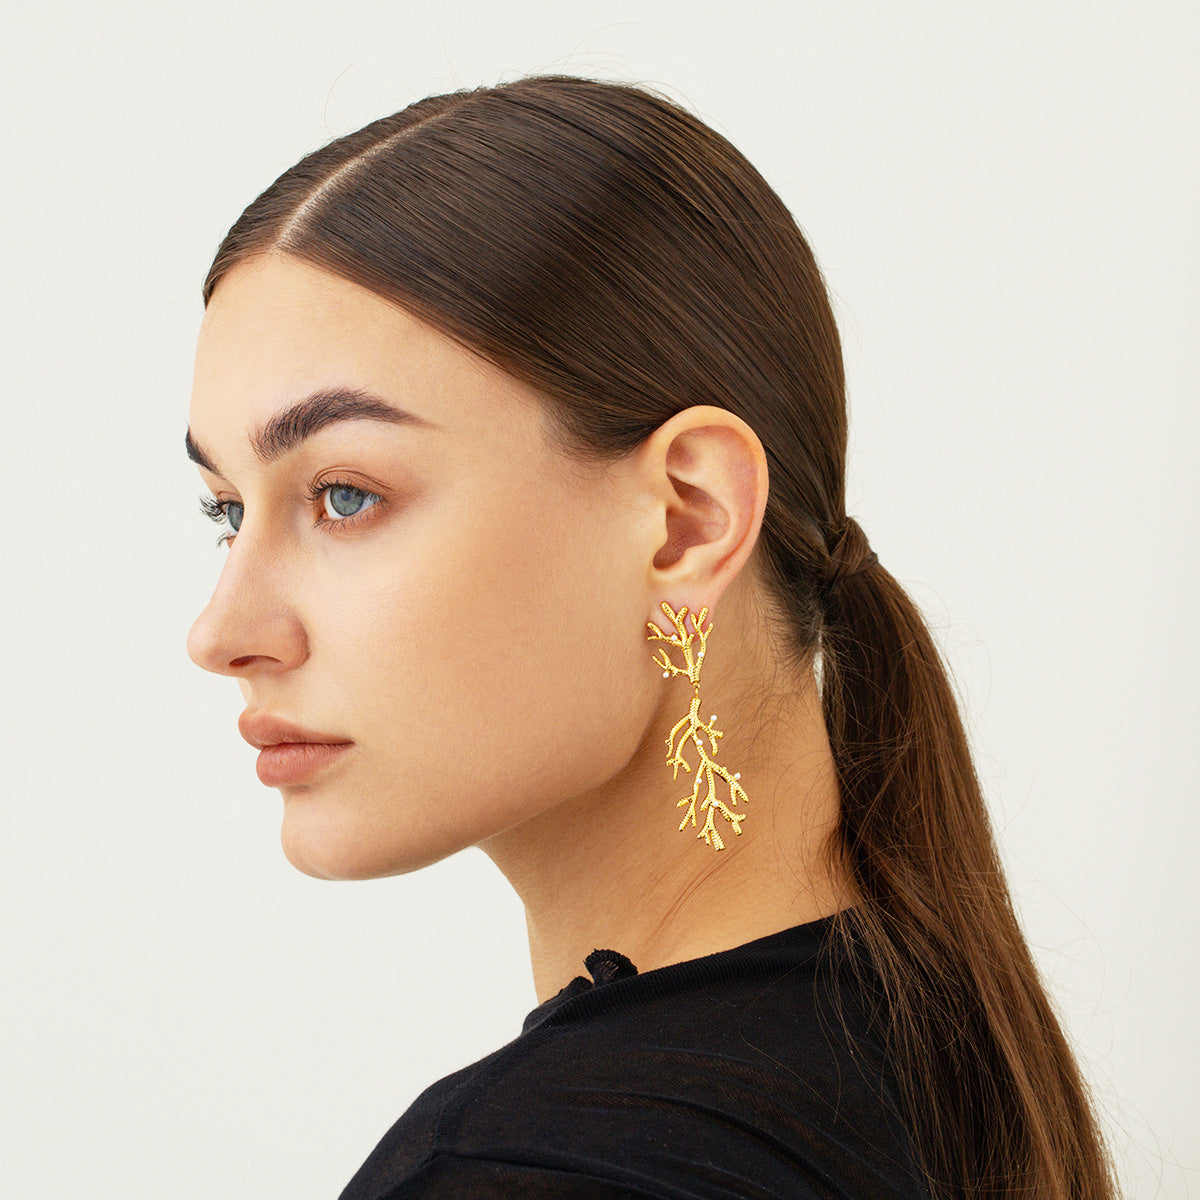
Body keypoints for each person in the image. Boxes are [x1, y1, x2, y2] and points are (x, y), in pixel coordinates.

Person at [184, 73, 1120, 1199]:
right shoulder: (938, 1060)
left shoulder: (530, 1167)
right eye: (226, 511)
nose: (222, 630)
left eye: (343, 495)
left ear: (687, 521)